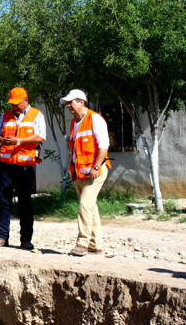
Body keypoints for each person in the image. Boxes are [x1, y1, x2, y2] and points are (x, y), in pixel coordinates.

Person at [0, 87, 46, 249]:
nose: (14, 106)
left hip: (25, 166)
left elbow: (40, 136)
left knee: (25, 203)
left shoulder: (36, 115)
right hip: (6, 165)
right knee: (4, 202)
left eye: (17, 103)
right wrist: (1, 140)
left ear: (26, 100)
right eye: (12, 104)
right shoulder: (5, 116)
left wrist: (18, 141)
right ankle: (1, 237)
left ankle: (26, 240)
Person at [60, 89, 112, 256]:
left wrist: (96, 167)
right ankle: (95, 245)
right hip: (80, 174)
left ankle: (82, 244)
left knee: (84, 205)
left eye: (71, 102)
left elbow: (103, 146)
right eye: (67, 103)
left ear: (81, 102)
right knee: (90, 207)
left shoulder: (95, 119)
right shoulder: (75, 122)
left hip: (95, 172)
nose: (68, 105)